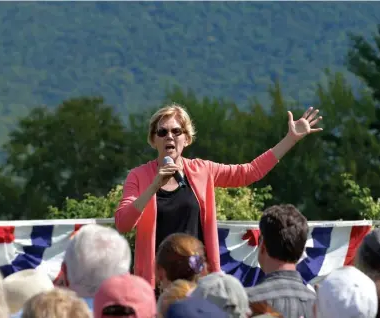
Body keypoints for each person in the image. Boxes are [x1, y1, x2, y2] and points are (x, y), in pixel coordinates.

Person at [115, 103, 323, 287]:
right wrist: (153, 187)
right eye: (162, 132)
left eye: (176, 131)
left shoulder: (203, 170)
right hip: (156, 282)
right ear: (153, 140)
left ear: (186, 139)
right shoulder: (139, 176)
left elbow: (249, 172)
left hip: (197, 277)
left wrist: (290, 139)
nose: (170, 136)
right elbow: (123, 224)